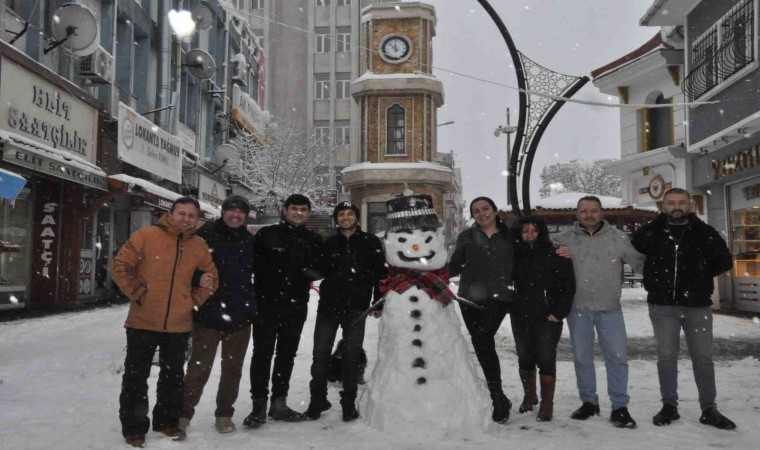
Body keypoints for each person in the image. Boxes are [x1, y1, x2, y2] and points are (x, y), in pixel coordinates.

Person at [112, 197, 218, 448]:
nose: (186, 219)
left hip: (179, 323)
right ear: (170, 214)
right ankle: (134, 427)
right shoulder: (146, 236)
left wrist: (192, 301)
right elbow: (120, 266)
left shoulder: (199, 245)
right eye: (182, 213)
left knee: (172, 377)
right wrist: (139, 294)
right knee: (136, 377)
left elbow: (211, 279)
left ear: (197, 219)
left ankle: (167, 421)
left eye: (192, 215)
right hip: (142, 320)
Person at [631, 188, 736, 430]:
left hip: (697, 306)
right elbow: (634, 251)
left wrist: (697, 278)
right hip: (662, 305)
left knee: (703, 358)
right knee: (666, 357)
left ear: (690, 206)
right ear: (663, 206)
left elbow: (724, 261)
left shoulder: (705, 233)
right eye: (671, 203)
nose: (676, 207)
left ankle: (709, 408)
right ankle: (669, 406)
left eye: (681, 202)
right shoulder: (650, 232)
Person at [553, 195, 644, 428]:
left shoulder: (618, 238)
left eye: (594, 211)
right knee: (582, 358)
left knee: (617, 358)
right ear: (577, 214)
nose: (589, 215)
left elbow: (641, 264)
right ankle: (589, 402)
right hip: (578, 308)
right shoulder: (564, 239)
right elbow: (534, 253)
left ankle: (620, 406)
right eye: (584, 211)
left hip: (610, 309)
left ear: (602, 213)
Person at [243, 194, 324, 426]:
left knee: (286, 355)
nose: (299, 213)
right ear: (285, 210)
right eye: (294, 208)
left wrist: (307, 274)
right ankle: (258, 405)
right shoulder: (267, 235)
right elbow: (253, 266)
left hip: (296, 307)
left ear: (308, 213)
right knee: (262, 354)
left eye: (303, 210)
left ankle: (279, 403)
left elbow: (321, 270)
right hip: (266, 305)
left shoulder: (313, 239)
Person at [178, 195, 256, 434]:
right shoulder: (205, 235)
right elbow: (185, 268)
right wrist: (196, 282)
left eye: (240, 212)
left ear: (246, 215)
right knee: (199, 368)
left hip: (240, 317)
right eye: (231, 211)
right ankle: (183, 414)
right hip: (209, 315)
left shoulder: (249, 240)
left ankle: (224, 413)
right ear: (223, 212)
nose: (236, 215)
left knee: (233, 370)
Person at [304, 202, 387, 422]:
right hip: (328, 307)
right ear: (336, 219)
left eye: (350, 214)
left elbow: (380, 273)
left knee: (351, 357)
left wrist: (378, 302)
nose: (346, 217)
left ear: (356, 218)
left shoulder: (370, 242)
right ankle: (317, 400)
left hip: (356, 308)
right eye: (341, 214)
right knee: (320, 355)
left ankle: (348, 403)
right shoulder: (329, 242)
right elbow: (318, 268)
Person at [448, 196, 514, 423]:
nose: (481, 213)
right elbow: (455, 264)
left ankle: (497, 397)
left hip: (500, 298)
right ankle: (499, 396)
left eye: (486, 208)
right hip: (470, 301)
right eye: (476, 211)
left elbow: (528, 258)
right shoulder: (466, 237)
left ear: (495, 211)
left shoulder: (510, 236)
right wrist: (428, 277)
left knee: (483, 338)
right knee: (481, 343)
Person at [511, 216, 575, 422]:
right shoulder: (514, 255)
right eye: (525, 231)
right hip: (520, 315)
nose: (529, 235)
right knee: (524, 356)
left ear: (541, 232)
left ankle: (548, 403)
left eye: (534, 230)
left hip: (548, 316)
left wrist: (558, 312)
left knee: (546, 358)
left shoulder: (556, 254)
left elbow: (568, 286)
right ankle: (530, 396)